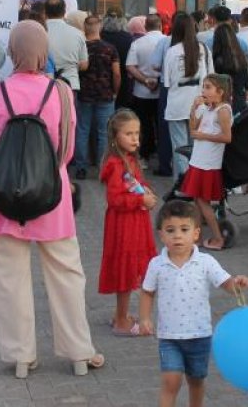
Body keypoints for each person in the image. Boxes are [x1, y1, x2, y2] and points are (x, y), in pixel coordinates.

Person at [0, 20, 105, 379]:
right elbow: (68, 149)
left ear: (12, 50)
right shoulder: (60, 91)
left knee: (8, 278)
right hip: (51, 195)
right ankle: (78, 352)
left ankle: (21, 357)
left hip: (2, 196)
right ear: (45, 51)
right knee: (67, 275)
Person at [138, 199, 248, 407]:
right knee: (170, 382)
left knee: (196, 381)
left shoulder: (206, 262)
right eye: (170, 230)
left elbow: (225, 282)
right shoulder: (156, 264)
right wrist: (145, 318)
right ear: (161, 234)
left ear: (196, 233)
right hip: (169, 337)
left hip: (200, 335)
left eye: (184, 229)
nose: (177, 236)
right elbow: (147, 293)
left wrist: (237, 283)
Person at [98, 109, 159, 336]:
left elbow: (134, 184)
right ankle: (122, 321)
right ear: (115, 138)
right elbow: (115, 198)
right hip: (124, 225)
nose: (135, 138)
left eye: (137, 133)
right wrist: (140, 199)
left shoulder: (129, 159)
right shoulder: (116, 164)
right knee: (125, 270)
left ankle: (120, 314)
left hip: (133, 221)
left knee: (131, 267)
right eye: (129, 134)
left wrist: (146, 191)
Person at [178, 73, 233, 250]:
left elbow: (227, 137)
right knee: (197, 200)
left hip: (208, 163)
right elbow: (193, 128)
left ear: (220, 92)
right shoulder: (207, 108)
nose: (204, 90)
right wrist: (194, 109)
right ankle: (198, 235)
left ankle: (218, 238)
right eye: (204, 87)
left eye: (208, 87)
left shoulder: (223, 110)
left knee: (203, 202)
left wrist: (204, 136)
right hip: (198, 160)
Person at [161, 13, 213, 178]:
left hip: (176, 105)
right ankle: (194, 184)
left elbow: (166, 82)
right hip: (199, 105)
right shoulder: (204, 49)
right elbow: (211, 77)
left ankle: (182, 185)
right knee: (196, 149)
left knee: (179, 148)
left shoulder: (171, 52)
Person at [74, 15, 120, 180]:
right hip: (105, 94)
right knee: (103, 133)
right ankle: (103, 169)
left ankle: (81, 167)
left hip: (84, 94)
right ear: (99, 27)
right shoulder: (110, 49)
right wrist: (115, 91)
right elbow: (116, 73)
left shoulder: (81, 47)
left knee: (82, 130)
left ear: (85, 29)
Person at [126, 15, 167, 170]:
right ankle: (163, 156)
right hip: (162, 89)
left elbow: (130, 66)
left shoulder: (137, 43)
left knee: (143, 125)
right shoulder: (167, 41)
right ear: (161, 26)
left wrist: (145, 80)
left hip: (141, 91)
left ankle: (143, 156)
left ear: (145, 27)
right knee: (161, 125)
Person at [44, 0, 89, 92]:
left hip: (44, 85)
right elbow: (84, 65)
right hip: (70, 84)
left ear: (45, 12)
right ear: (64, 12)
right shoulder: (78, 34)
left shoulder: (38, 32)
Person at [210, 22, 248, 112]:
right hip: (240, 103)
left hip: (223, 105)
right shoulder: (242, 58)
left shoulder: (217, 61)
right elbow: (247, 86)